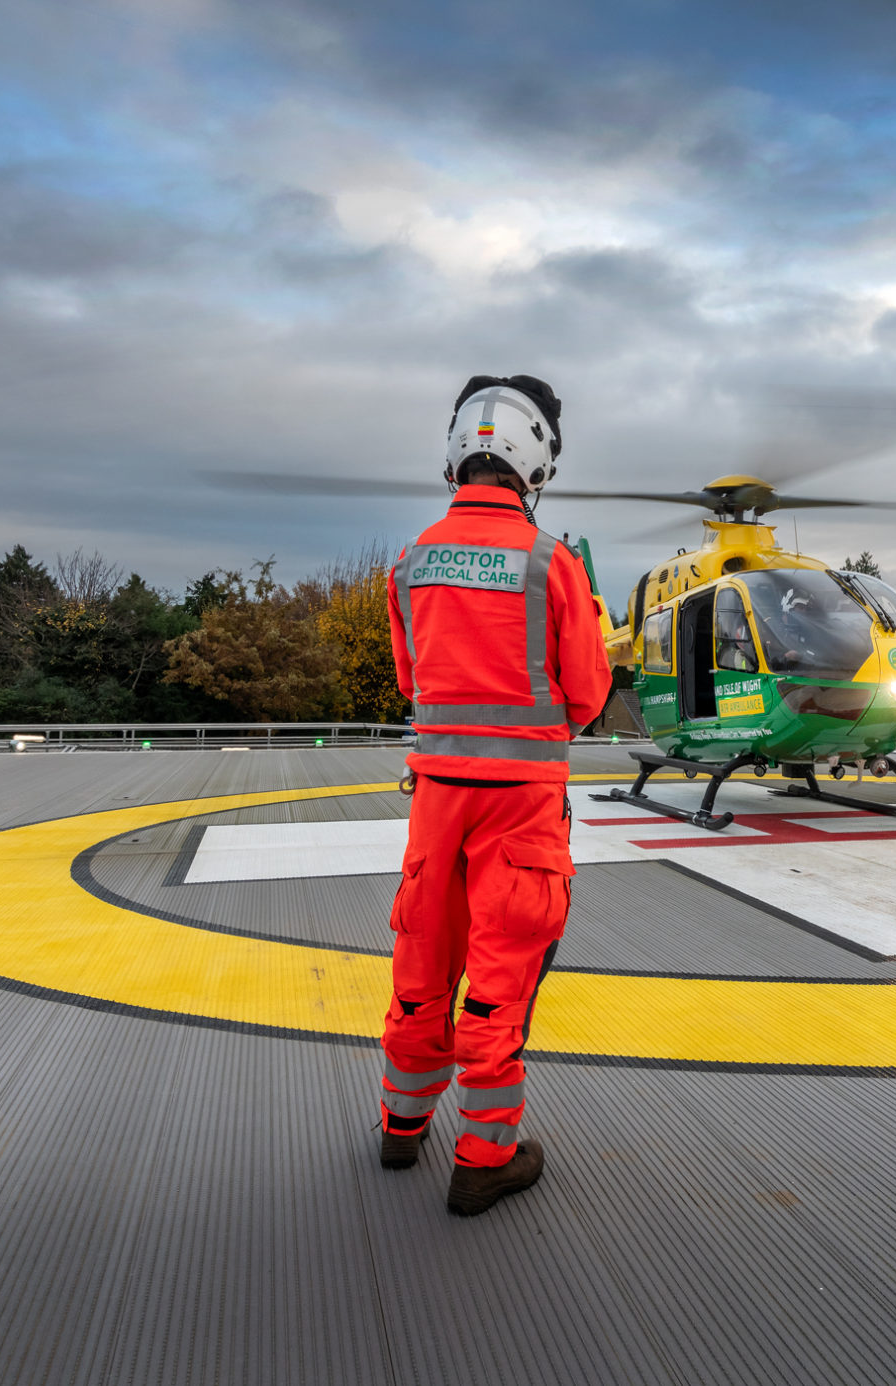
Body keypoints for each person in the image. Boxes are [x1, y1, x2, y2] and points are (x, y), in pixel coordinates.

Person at [377, 373, 612, 1217]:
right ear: (536, 460)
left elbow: (412, 680)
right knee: (499, 976)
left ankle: (402, 1129)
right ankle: (485, 1155)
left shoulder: (410, 561)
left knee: (422, 961)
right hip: (519, 807)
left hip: (436, 799)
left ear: (456, 454)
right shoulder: (553, 563)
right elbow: (586, 692)